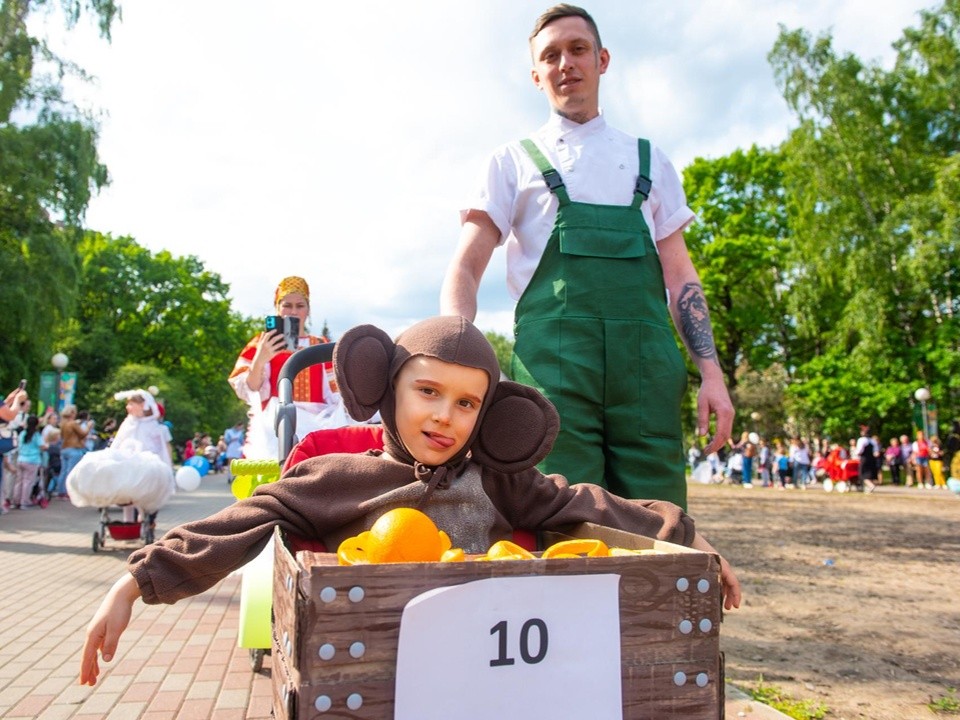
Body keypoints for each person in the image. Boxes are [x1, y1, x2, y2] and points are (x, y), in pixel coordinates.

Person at [79, 316, 741, 686]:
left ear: (488, 415)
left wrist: (692, 541)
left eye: (466, 402)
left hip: (493, 675)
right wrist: (136, 582)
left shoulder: (501, 481)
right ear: (390, 388)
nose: (444, 416)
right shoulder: (341, 475)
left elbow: (591, 505)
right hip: (374, 668)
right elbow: (245, 519)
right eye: (428, 391)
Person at [439, 4, 733, 509]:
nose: (565, 63)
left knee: (660, 525)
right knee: (560, 518)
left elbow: (681, 278)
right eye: (550, 55)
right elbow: (465, 266)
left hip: (646, 377)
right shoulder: (512, 162)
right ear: (536, 76)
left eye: (577, 49)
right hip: (555, 376)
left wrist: (712, 374)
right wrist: (455, 353)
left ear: (602, 59)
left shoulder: (650, 161)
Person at [229, 275, 361, 460]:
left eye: (300, 306)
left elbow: (336, 395)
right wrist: (261, 358)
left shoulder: (320, 344)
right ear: (277, 307)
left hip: (318, 425)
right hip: (275, 425)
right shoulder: (262, 343)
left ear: (308, 311)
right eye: (287, 305)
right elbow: (247, 390)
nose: (293, 312)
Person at [53, 405, 89, 498]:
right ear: (72, 413)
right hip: (74, 449)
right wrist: (88, 427)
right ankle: (69, 492)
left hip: (64, 448)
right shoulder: (73, 424)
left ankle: (61, 491)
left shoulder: (63, 424)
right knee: (71, 471)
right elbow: (83, 434)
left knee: (63, 471)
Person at [13, 415, 47, 508]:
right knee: (28, 482)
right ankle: (25, 501)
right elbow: (42, 446)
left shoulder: (23, 433)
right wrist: (47, 446)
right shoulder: (36, 435)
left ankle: (16, 500)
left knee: (19, 481)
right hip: (32, 460)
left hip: (20, 459)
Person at [855, 425, 878, 494]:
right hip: (872, 459)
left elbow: (859, 451)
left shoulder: (861, 440)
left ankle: (871, 485)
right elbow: (876, 452)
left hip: (864, 458)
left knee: (863, 474)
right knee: (870, 473)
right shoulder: (873, 441)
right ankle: (869, 487)